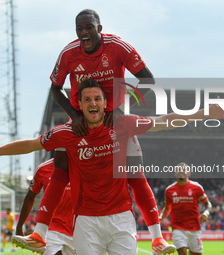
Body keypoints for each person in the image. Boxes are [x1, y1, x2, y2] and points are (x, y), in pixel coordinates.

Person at [0, 79, 224, 255]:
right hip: (86, 223)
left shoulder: (124, 125)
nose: (93, 103)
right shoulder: (66, 133)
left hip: (121, 219)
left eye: (97, 99)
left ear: (105, 104)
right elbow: (32, 144)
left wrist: (204, 113)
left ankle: (156, 238)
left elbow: (165, 120)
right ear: (79, 105)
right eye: (87, 99)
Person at [49, 9, 168, 253]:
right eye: (79, 28)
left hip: (116, 124)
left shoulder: (117, 46)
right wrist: (74, 116)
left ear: (99, 28)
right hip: (82, 123)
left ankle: (157, 238)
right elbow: (54, 89)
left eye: (88, 27)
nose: (84, 32)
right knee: (60, 169)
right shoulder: (68, 54)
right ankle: (40, 233)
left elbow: (148, 80)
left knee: (135, 174)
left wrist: (122, 109)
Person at [15, 158, 75, 255]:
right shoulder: (43, 168)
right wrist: (20, 225)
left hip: (77, 229)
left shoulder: (82, 165)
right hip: (50, 229)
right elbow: (30, 197)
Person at [158, 162, 212, 255]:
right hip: (177, 228)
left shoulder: (197, 187)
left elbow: (208, 204)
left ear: (189, 173)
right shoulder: (169, 190)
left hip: (194, 228)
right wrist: (160, 217)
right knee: (182, 252)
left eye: (184, 170)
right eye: (179, 170)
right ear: (175, 173)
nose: (181, 172)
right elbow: (167, 208)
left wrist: (206, 213)